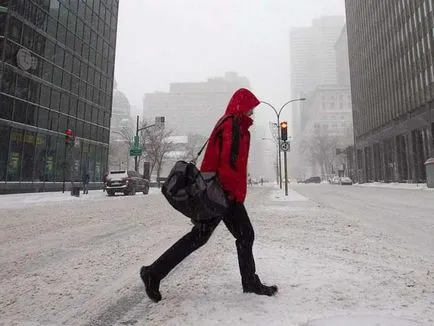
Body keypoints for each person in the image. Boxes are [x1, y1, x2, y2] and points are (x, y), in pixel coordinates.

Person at [140, 88, 278, 302]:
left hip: (219, 192)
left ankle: (153, 273)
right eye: (251, 108)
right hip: (222, 194)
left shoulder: (233, 124)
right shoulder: (232, 125)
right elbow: (229, 162)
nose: (252, 113)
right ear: (243, 106)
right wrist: (231, 195)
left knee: (201, 237)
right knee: (244, 235)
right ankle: (249, 282)